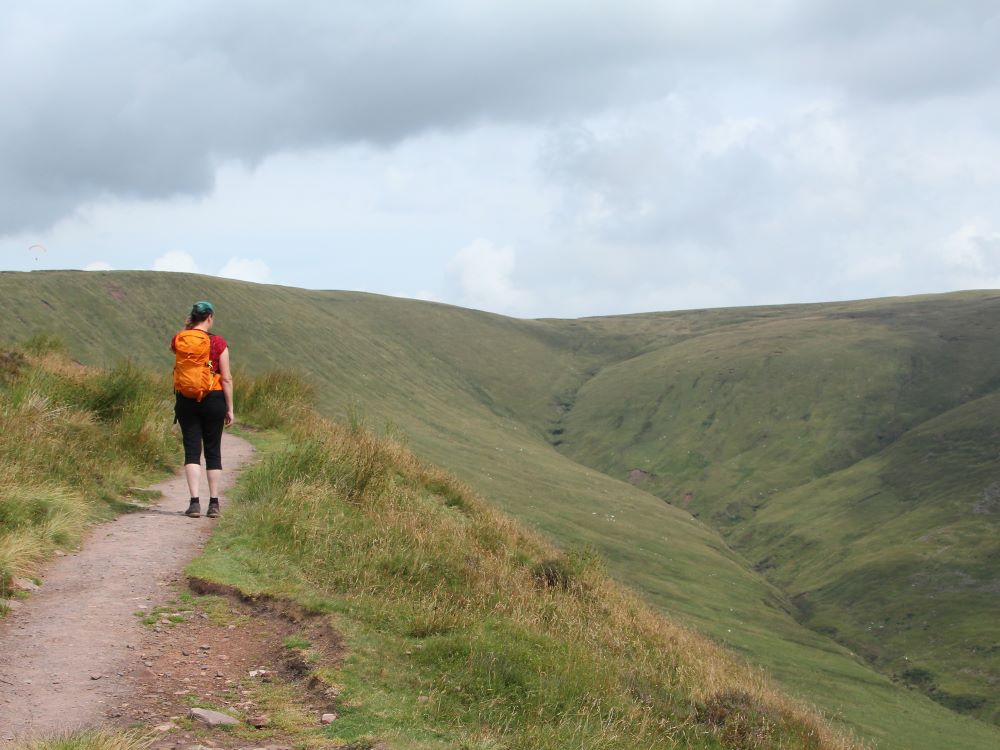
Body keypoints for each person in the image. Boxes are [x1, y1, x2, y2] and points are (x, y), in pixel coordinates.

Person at [170, 301, 234, 518]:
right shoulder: (218, 343)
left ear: (192, 317)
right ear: (209, 318)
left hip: (186, 399)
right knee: (213, 451)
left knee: (191, 450)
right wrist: (230, 407)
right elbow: (226, 378)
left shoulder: (179, 339)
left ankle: (194, 502)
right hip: (213, 398)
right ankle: (214, 504)